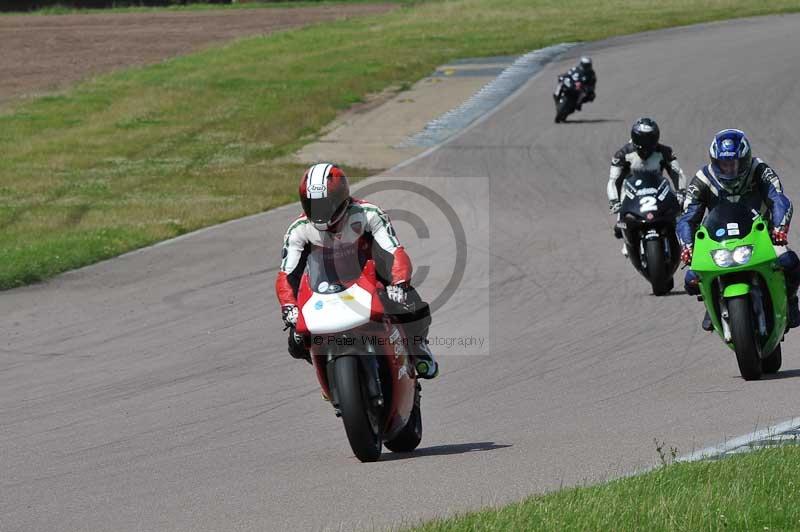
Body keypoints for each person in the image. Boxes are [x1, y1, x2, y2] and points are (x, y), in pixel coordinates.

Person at [275, 163, 438, 379]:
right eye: (312, 204)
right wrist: (289, 306)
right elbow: (288, 274)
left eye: (325, 204)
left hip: (372, 277)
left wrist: (398, 283)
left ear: (341, 198)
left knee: (411, 306)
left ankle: (418, 350)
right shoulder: (298, 230)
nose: (320, 212)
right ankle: (323, 368)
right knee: (296, 341)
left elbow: (393, 251)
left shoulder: (368, 214)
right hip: (323, 285)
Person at [678, 129, 800, 331]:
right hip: (718, 240)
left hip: (762, 234)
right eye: (723, 164)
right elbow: (687, 218)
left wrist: (779, 228)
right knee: (691, 280)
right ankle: (713, 301)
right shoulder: (702, 179)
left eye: (734, 163)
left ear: (745, 159)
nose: (729, 169)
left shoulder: (759, 169)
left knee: (790, 262)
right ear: (714, 161)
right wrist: (687, 246)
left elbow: (779, 199)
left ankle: (792, 300)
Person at [607, 117, 687, 255]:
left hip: (659, 188)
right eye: (642, 140)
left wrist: (681, 192)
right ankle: (628, 240)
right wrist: (614, 201)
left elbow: (677, 173)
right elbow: (613, 180)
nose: (646, 145)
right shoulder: (623, 154)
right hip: (632, 191)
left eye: (650, 140)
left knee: (680, 211)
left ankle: (685, 241)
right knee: (620, 224)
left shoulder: (665, 152)